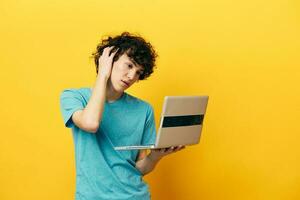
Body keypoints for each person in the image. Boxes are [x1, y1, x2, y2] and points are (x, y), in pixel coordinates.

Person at [59, 32, 185, 200]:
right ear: (109, 59)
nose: (132, 76)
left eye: (138, 72)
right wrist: (103, 75)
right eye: (129, 65)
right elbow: (90, 123)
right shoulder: (74, 97)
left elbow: (139, 168)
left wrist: (156, 156)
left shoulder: (144, 109)